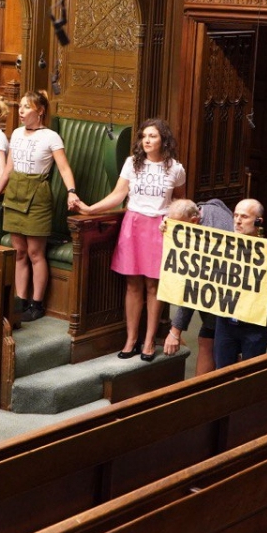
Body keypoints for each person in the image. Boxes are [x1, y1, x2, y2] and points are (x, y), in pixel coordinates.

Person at [76, 119, 186, 360]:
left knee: (153, 286)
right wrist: (89, 210)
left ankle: (149, 341)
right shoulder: (131, 164)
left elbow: (180, 201)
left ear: (163, 140)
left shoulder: (175, 168)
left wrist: (175, 219)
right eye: (144, 136)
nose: (146, 140)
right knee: (133, 284)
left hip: (159, 228)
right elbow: (118, 194)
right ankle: (131, 339)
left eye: (153, 136)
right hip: (133, 225)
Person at [0, 90, 81, 321]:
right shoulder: (16, 133)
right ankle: (20, 300)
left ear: (40, 111)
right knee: (19, 252)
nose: (21, 111)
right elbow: (8, 168)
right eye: (20, 107)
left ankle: (36, 304)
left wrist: (71, 192)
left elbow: (64, 168)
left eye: (27, 107)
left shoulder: (51, 137)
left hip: (38, 195)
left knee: (36, 252)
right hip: (15, 192)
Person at [212, 199, 267, 368]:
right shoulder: (223, 242)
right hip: (225, 320)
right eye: (235, 215)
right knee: (221, 373)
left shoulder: (266, 248)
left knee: (251, 373)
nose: (237, 220)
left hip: (253, 323)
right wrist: (167, 229)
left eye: (244, 216)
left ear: (258, 221)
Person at [162, 197, 234, 375]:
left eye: (179, 227)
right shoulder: (204, 209)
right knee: (207, 339)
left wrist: (175, 331)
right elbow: (217, 201)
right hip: (215, 294)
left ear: (194, 221)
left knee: (215, 341)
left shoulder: (211, 234)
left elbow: (194, 288)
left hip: (226, 293)